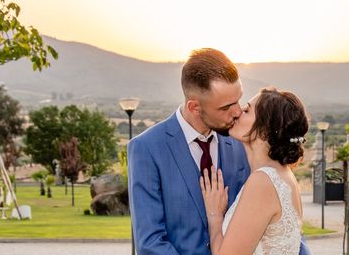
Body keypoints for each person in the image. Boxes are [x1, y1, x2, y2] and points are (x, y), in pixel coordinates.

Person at [128, 48, 311, 255]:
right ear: (195, 107)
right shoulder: (147, 148)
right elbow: (150, 242)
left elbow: (286, 227)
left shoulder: (247, 145)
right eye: (226, 107)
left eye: (239, 101)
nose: (237, 112)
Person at [200, 87, 309, 255]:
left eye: (247, 110)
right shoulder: (283, 175)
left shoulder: (263, 181)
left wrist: (214, 215)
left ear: (265, 129)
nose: (237, 112)